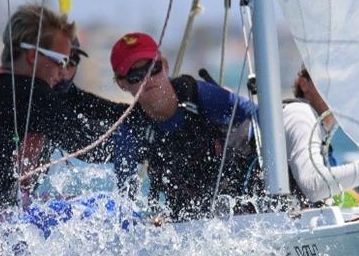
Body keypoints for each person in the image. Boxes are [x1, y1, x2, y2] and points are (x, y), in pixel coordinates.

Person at [0, 3, 125, 243]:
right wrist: (144, 144)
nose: (63, 73)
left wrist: (137, 115)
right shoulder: (26, 92)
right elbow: (89, 143)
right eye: (61, 61)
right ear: (32, 56)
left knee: (64, 201)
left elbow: (85, 105)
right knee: (107, 209)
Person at [109, 32, 258, 219]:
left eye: (152, 68)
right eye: (135, 75)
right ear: (122, 84)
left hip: (240, 194)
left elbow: (257, 115)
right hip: (187, 217)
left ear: (164, 66)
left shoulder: (198, 94)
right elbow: (125, 200)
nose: (148, 79)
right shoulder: (131, 130)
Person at [284, 67, 359, 206]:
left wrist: (356, 202)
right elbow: (313, 185)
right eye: (329, 80)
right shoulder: (300, 114)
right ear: (303, 84)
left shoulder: (320, 129)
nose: (339, 89)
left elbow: (325, 192)